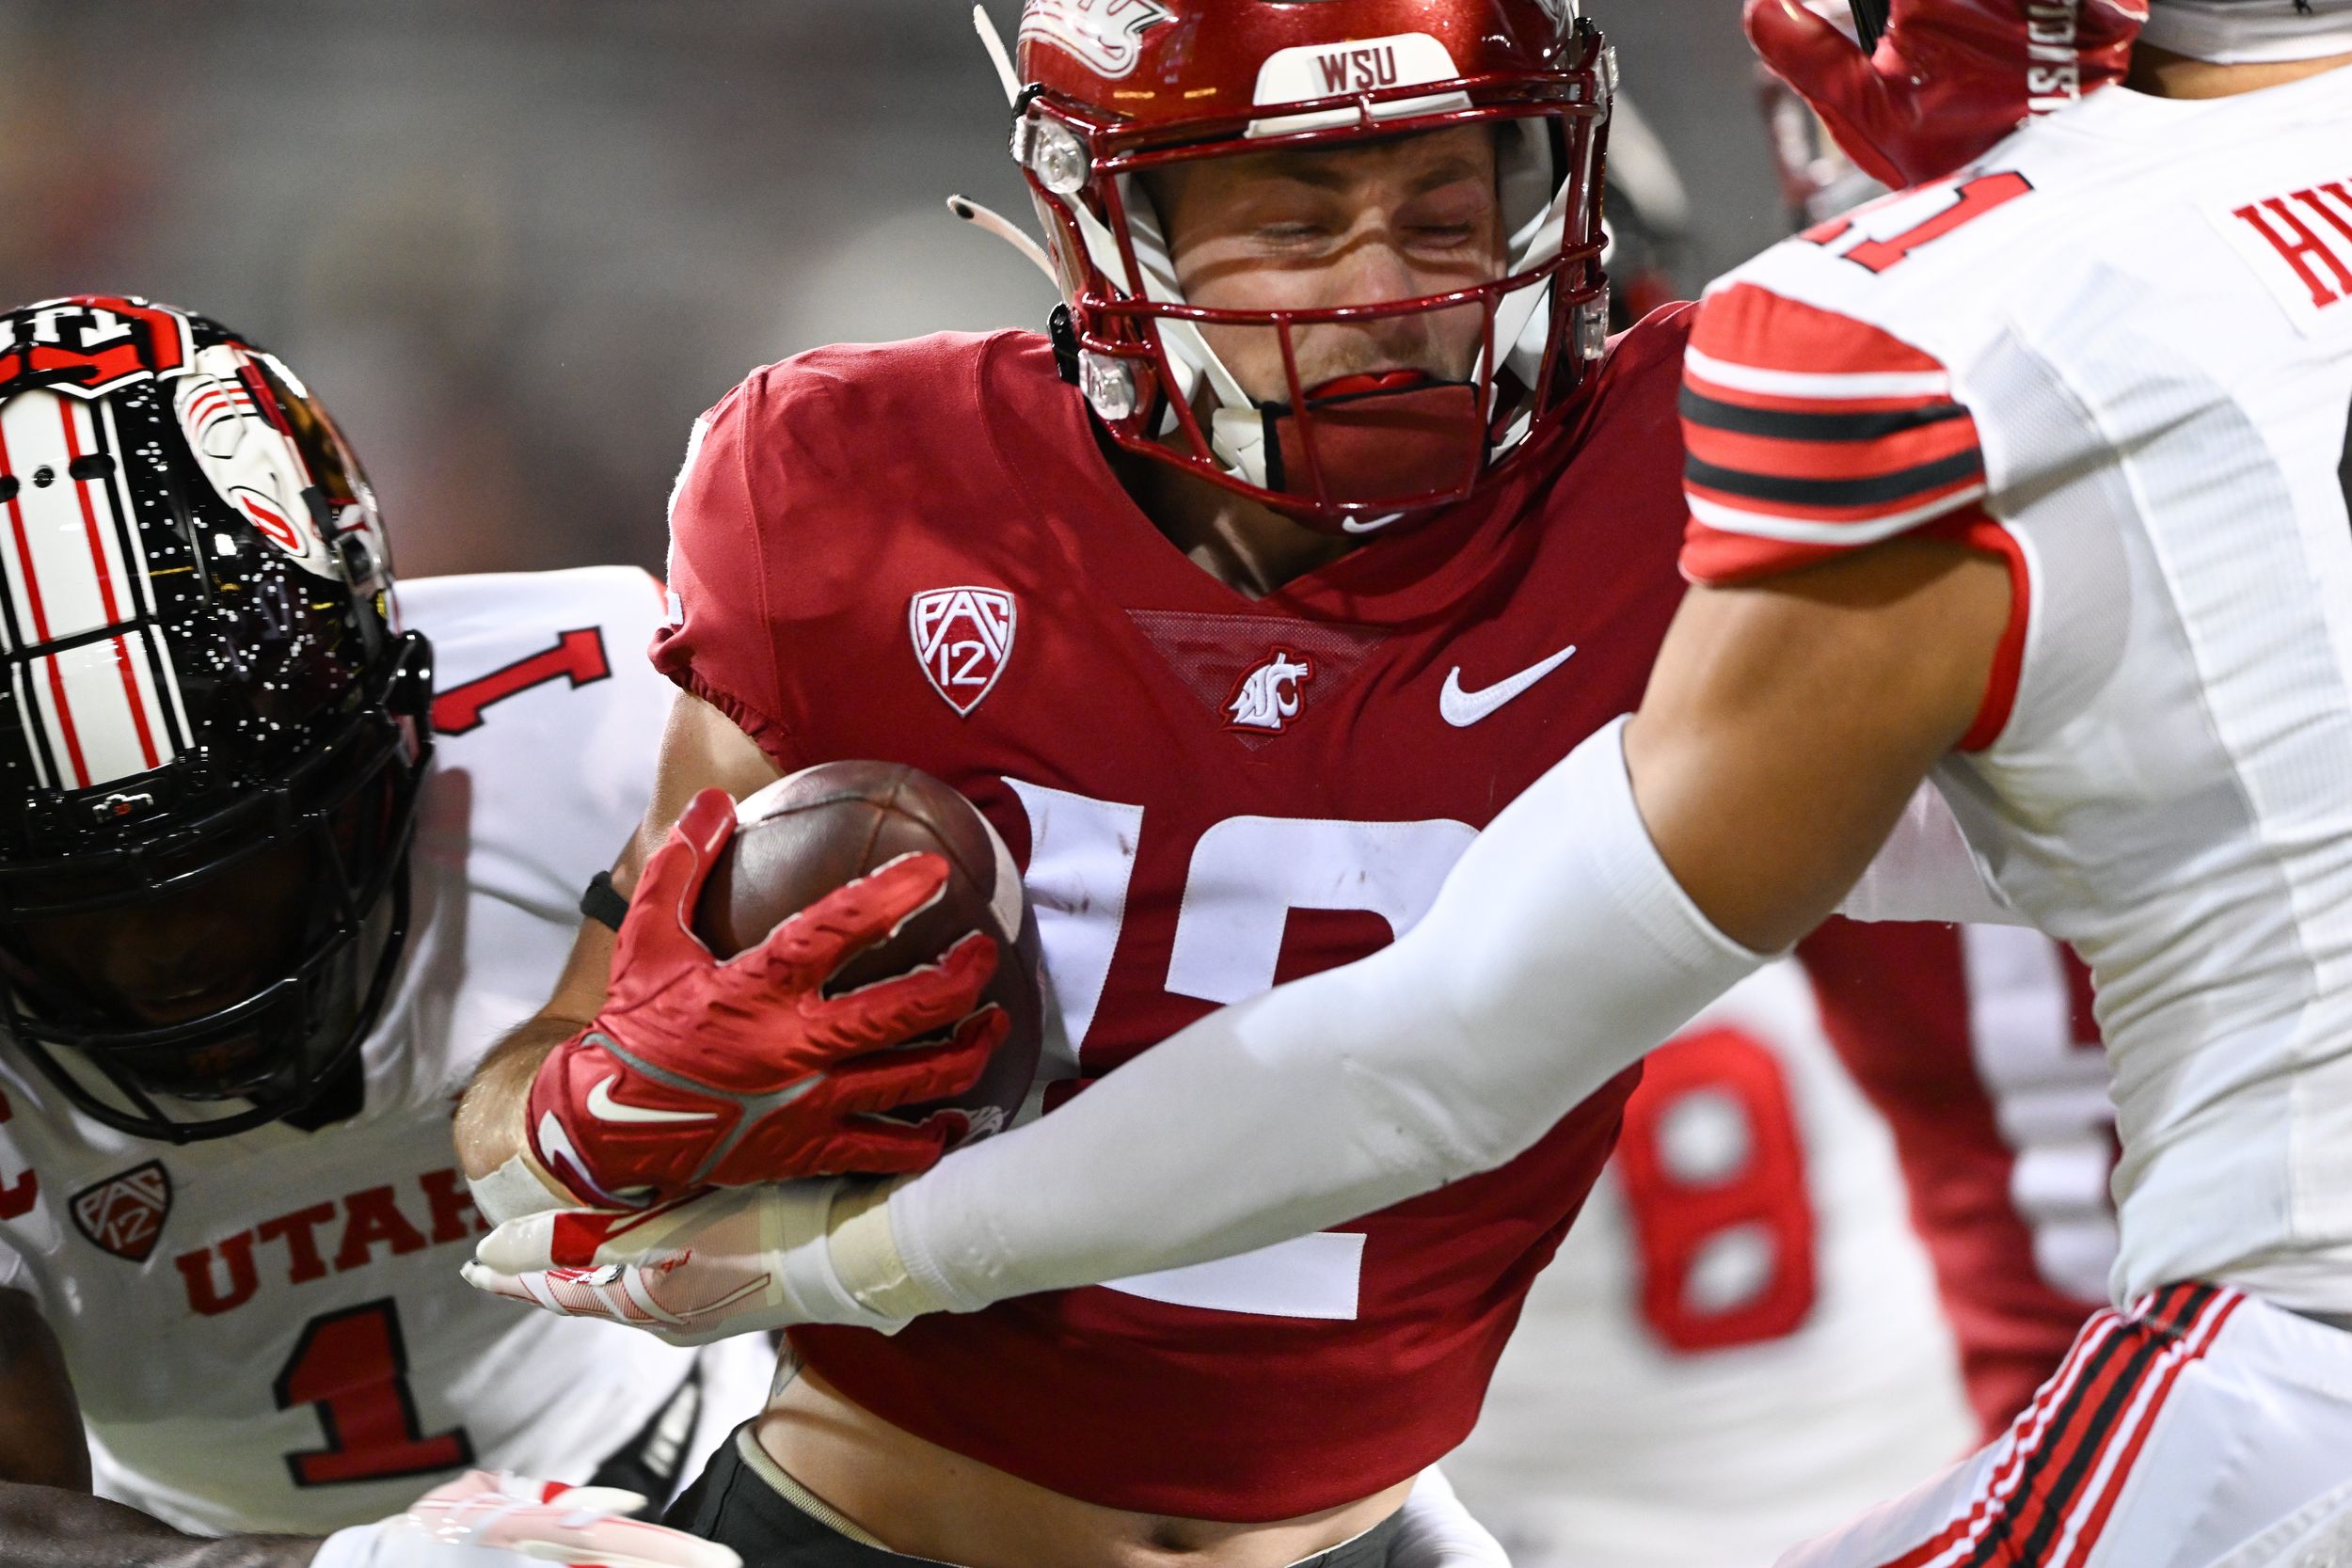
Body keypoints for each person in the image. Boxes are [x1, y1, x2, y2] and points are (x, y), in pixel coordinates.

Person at [475, 0, 2352, 1561]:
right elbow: (545, 1111)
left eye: (1451, 206)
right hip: (881, 1525)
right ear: (1097, 226)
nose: (1382, 286)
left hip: (1382, 1529)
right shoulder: (841, 486)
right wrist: (594, 1122)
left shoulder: (1695, 468)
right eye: (1294, 221)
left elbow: (1467, 1041)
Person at [0, 293, 766, 1564]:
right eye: (89, 908)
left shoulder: (633, 722)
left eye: (227, 871)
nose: (174, 957)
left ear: (392, 734)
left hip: (715, 1465)